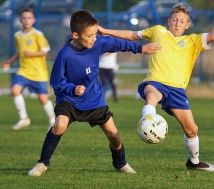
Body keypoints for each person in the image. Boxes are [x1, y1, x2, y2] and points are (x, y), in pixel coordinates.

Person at [98, 0, 214, 172]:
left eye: (182, 21)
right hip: (156, 81)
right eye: (175, 20)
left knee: (192, 129)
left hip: (177, 90)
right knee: (152, 93)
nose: (178, 24)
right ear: (168, 20)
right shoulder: (158, 31)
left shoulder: (192, 41)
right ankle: (147, 119)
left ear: (187, 25)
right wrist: (106, 31)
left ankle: (193, 162)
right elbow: (132, 35)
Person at [27, 9, 161, 176]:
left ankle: (120, 164)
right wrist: (72, 89)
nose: (94, 39)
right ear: (75, 35)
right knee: (59, 125)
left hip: (94, 99)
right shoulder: (64, 55)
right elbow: (56, 82)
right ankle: (42, 163)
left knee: (114, 135)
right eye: (89, 35)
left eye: (95, 34)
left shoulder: (96, 43)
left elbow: (119, 44)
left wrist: (141, 49)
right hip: (69, 99)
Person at [2, 8, 55, 130]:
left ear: (33, 20)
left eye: (29, 18)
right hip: (24, 70)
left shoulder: (38, 34)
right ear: (20, 20)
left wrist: (32, 54)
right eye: (24, 18)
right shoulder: (17, 36)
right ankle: (24, 118)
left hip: (38, 72)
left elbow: (45, 51)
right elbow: (19, 52)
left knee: (42, 98)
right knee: (15, 90)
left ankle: (53, 119)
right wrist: (9, 61)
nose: (26, 20)